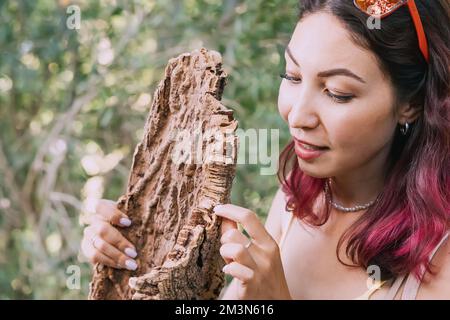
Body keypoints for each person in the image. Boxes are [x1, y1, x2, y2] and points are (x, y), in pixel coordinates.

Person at [81, 0, 450, 299]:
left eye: (338, 92)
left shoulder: (440, 258)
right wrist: (142, 261)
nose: (298, 115)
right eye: (292, 76)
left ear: (411, 104)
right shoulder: (294, 202)